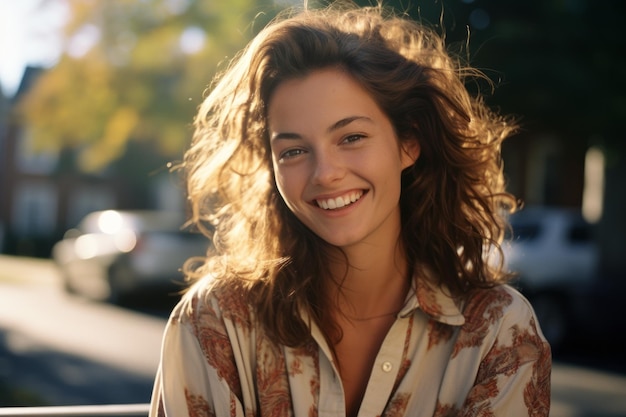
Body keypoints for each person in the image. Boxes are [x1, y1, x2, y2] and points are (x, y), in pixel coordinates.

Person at [149, 2, 551, 416]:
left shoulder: (499, 332)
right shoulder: (216, 322)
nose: (325, 174)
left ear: (408, 143)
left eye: (351, 137)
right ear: (271, 167)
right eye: (294, 151)